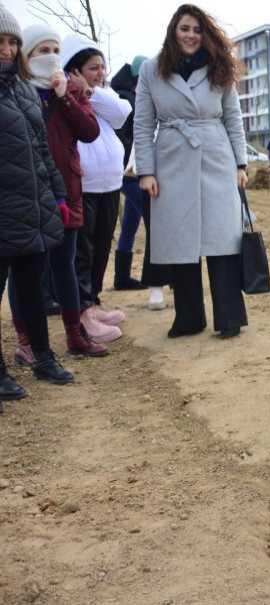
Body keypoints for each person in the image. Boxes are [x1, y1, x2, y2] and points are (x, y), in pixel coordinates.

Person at [134, 3, 250, 339]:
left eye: (197, 30)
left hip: (217, 155)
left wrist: (241, 163)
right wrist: (147, 170)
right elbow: (143, 123)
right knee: (179, 237)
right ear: (173, 31)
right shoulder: (152, 70)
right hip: (171, 157)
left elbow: (233, 118)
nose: (191, 35)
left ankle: (229, 317)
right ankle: (188, 316)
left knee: (223, 238)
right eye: (185, 28)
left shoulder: (219, 67)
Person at [10, 24, 108, 361]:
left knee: (64, 264)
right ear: (27, 55)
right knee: (25, 271)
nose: (49, 57)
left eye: (55, 50)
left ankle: (74, 333)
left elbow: (90, 131)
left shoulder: (70, 92)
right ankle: (27, 342)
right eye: (42, 51)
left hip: (68, 188)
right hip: (27, 194)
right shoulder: (17, 91)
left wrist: (66, 95)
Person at [0, 4, 76, 404]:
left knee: (32, 288)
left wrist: (58, 195)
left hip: (31, 207)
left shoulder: (25, 91)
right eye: (1, 41)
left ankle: (43, 357)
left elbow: (42, 151)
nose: (8, 49)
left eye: (13, 42)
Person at [63, 34, 131, 338]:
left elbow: (122, 113)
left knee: (103, 245)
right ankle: (82, 311)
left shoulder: (98, 97)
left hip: (110, 184)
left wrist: (91, 90)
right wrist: (79, 92)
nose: (101, 73)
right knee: (84, 251)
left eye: (102, 67)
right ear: (74, 70)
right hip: (84, 185)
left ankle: (93, 301)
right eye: (93, 68)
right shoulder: (66, 98)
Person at [109, 55, 150, 291]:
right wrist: (131, 163)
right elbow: (124, 136)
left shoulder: (126, 93)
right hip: (129, 173)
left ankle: (121, 278)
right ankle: (155, 277)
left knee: (131, 222)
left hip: (126, 171)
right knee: (152, 219)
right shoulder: (128, 97)